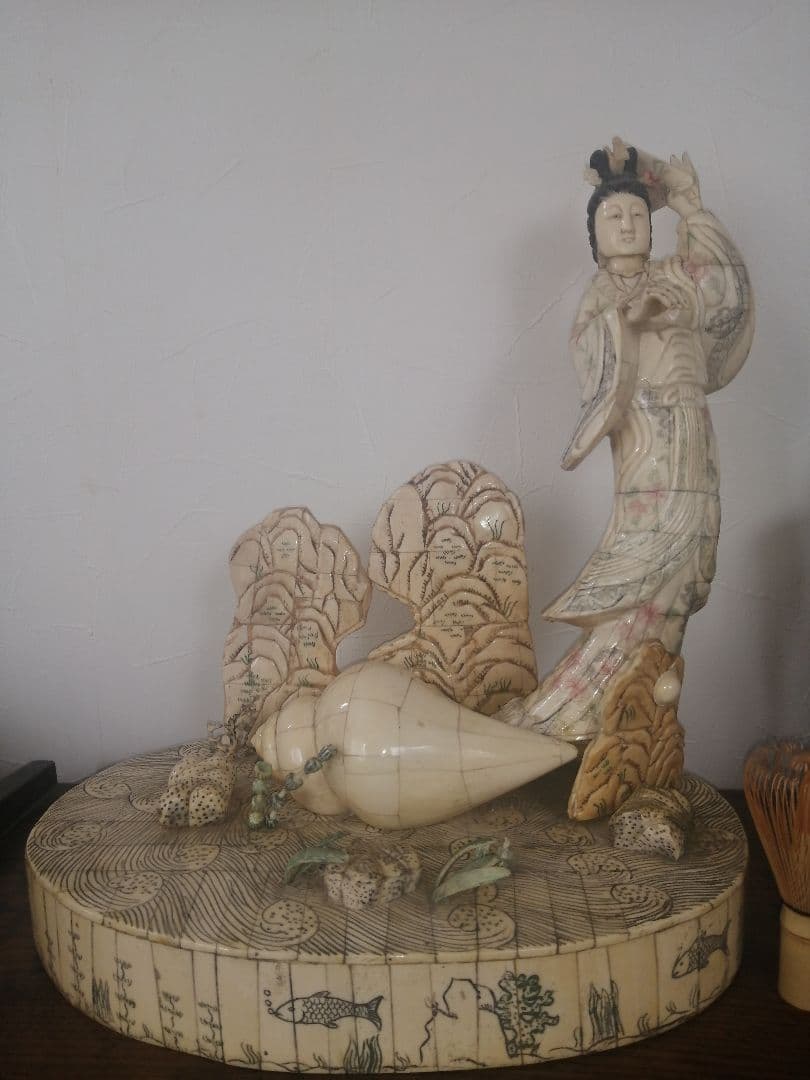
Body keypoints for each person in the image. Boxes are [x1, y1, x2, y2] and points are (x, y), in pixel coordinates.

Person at [506, 139, 754, 740]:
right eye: (612, 216)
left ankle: (647, 697)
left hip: (693, 429)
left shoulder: (674, 275)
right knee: (652, 563)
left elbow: (724, 293)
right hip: (648, 439)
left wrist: (690, 205)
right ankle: (587, 708)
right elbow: (587, 347)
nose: (627, 224)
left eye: (638, 214)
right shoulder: (603, 294)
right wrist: (627, 320)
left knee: (691, 564)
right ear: (594, 236)